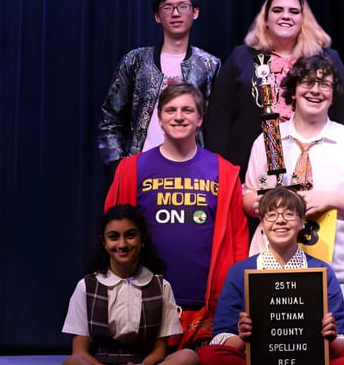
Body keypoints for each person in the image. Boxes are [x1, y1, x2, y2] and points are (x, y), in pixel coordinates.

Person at [241, 54, 344, 336]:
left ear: (333, 95)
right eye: (307, 82)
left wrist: (332, 200)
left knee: (334, 352)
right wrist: (255, 202)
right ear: (293, 91)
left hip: (337, 275)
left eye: (324, 84)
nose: (316, 90)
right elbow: (248, 195)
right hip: (272, 272)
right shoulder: (271, 139)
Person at [197, 187, 344, 365]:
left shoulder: (322, 271)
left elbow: (342, 339)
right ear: (262, 223)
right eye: (271, 215)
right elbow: (221, 336)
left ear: (302, 222)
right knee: (207, 357)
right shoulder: (240, 271)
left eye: (289, 214)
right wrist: (243, 338)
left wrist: (330, 339)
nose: (280, 221)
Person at [105, 82, 248, 351]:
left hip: (203, 308)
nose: (179, 117)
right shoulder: (131, 169)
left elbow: (237, 242)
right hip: (143, 302)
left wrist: (234, 299)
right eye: (170, 110)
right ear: (159, 119)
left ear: (200, 119)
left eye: (187, 110)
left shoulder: (224, 172)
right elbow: (111, 235)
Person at [205, 0, 344, 180]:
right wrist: (219, 170)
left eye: (294, 11)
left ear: (303, 20)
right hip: (250, 164)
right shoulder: (240, 57)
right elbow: (219, 119)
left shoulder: (327, 59)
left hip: (316, 160)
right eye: (277, 10)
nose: (286, 16)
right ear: (265, 19)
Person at [54, 204, 200, 365]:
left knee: (188, 358)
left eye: (130, 235)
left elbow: (159, 351)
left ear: (142, 240)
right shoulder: (86, 286)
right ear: (104, 243)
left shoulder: (161, 286)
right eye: (114, 237)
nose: (122, 244)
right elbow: (79, 352)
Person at [99, 0, 220, 175]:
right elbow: (110, 118)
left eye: (182, 7)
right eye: (167, 8)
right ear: (157, 16)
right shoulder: (135, 61)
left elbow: (217, 124)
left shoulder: (209, 65)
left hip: (193, 174)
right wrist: (119, 166)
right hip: (141, 171)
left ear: (195, 12)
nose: (175, 13)